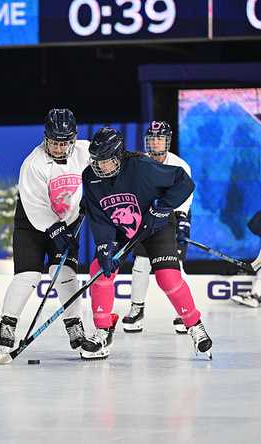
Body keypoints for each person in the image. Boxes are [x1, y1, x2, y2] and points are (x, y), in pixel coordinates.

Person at [81, 127, 212, 360]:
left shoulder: (142, 167)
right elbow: (100, 217)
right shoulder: (90, 177)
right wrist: (104, 246)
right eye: (97, 161)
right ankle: (102, 329)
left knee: (168, 278)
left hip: (157, 226)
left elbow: (184, 182)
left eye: (107, 161)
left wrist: (162, 208)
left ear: (119, 155)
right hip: (122, 229)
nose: (101, 167)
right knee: (100, 270)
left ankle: (194, 325)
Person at [0, 108, 90, 355]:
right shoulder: (33, 163)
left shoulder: (84, 152)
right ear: (45, 138)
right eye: (54, 142)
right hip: (32, 224)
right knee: (27, 276)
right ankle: (7, 325)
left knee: (66, 274)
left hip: (67, 223)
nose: (59, 148)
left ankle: (75, 324)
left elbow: (104, 167)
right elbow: (36, 207)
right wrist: (58, 231)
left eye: (64, 143)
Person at [123, 121, 193, 334]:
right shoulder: (139, 163)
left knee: (175, 264)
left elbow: (185, 195)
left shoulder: (180, 165)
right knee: (141, 263)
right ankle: (137, 310)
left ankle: (184, 312)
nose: (155, 142)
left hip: (172, 216)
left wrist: (182, 221)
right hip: (146, 217)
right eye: (152, 138)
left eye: (159, 138)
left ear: (167, 141)